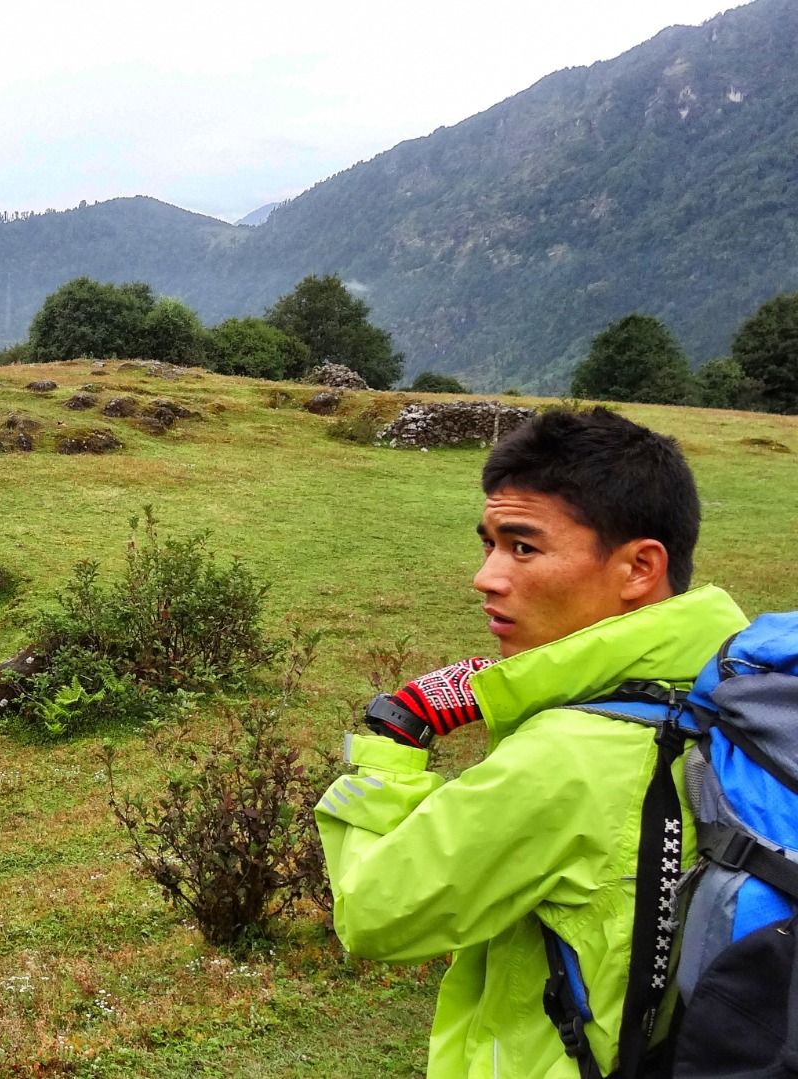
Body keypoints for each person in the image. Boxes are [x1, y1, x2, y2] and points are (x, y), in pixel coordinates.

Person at [315, 407, 749, 1077]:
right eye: (487, 543)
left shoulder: (567, 757)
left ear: (639, 567)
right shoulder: (731, 688)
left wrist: (402, 728)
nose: (486, 576)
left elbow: (374, 912)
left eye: (523, 546)